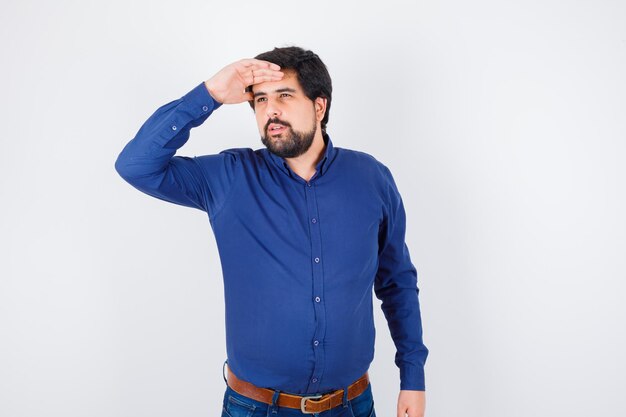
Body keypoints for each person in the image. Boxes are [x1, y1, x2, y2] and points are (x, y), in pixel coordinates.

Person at [115, 46, 428, 417]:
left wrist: (413, 377)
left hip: (351, 405)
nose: (270, 110)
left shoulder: (372, 178)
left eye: (284, 96)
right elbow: (136, 166)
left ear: (319, 106)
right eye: (260, 100)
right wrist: (211, 94)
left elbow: (396, 282)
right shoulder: (229, 177)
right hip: (255, 408)